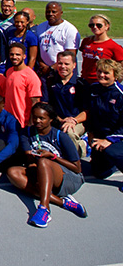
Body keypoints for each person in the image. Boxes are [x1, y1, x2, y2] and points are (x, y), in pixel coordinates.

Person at [7, 102, 87, 228]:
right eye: (35, 117)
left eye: (42, 118)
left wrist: (53, 157)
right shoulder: (26, 133)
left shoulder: (61, 136)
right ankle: (63, 203)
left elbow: (77, 168)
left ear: (50, 119)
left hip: (67, 178)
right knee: (12, 172)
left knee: (44, 162)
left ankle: (44, 208)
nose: (37, 121)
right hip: (42, 174)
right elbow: (29, 158)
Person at [85, 59, 123, 187]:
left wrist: (110, 140)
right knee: (99, 173)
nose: (102, 75)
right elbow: (91, 114)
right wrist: (90, 132)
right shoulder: (94, 90)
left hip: (118, 137)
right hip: (100, 135)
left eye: (106, 73)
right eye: (99, 72)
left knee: (111, 151)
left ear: (115, 75)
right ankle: (113, 163)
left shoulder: (120, 94)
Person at [46, 51, 88, 157]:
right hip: (57, 120)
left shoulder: (81, 84)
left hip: (77, 122)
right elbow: (47, 106)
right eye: (60, 63)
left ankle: (76, 161)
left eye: (67, 64)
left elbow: (87, 111)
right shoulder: (50, 82)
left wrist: (74, 121)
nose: (63, 67)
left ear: (74, 65)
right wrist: (60, 120)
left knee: (69, 132)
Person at [36, 2, 80, 80]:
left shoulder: (69, 29)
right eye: (48, 12)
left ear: (61, 13)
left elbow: (71, 55)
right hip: (44, 70)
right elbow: (37, 49)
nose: (50, 14)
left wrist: (52, 68)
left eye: (54, 12)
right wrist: (42, 64)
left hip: (62, 71)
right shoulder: (40, 27)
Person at [4, 43, 42, 129]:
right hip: (8, 120)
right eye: (12, 54)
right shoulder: (9, 71)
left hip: (22, 123)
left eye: (18, 54)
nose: (14, 57)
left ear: (24, 56)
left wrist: (31, 123)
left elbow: (35, 102)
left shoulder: (31, 76)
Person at [79, 14, 123, 84]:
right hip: (84, 81)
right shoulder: (86, 41)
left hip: (100, 82)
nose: (95, 27)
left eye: (99, 25)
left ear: (107, 26)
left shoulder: (114, 47)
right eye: (91, 25)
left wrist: (113, 84)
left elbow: (121, 69)